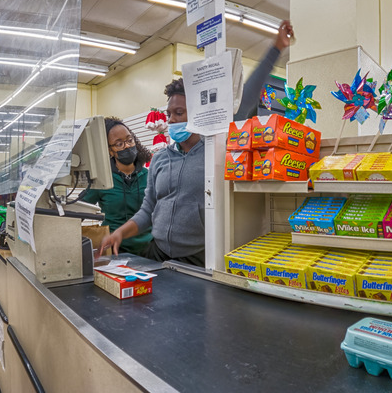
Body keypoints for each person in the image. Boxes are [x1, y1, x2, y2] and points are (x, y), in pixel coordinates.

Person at [99, 21, 295, 267]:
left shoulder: (217, 150)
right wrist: (121, 232)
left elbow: (247, 96)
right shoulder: (160, 159)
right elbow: (148, 210)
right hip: (157, 252)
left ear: (198, 112)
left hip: (199, 257)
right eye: (169, 113)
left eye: (179, 113)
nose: (171, 120)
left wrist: (276, 47)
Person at [81, 117, 153, 255]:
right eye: (119, 144)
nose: (126, 146)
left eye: (129, 140)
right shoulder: (102, 180)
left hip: (149, 251)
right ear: (109, 151)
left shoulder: (149, 176)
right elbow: (80, 209)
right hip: (114, 251)